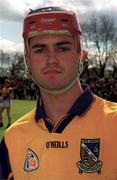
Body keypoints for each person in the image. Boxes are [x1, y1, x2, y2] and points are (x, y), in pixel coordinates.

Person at [0, 6, 117, 180]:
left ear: (80, 54)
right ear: (27, 60)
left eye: (62, 48)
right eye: (40, 50)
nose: (51, 59)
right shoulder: (12, 138)